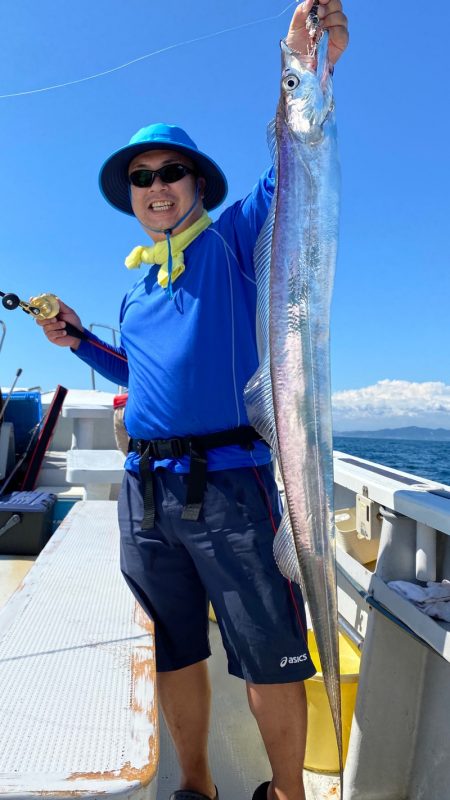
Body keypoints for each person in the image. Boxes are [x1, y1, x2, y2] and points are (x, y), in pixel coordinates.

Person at [38, 1, 349, 799]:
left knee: (268, 652)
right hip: (145, 495)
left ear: (196, 181)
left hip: (233, 488)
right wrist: (80, 342)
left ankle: (286, 793)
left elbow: (294, 161)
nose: (155, 186)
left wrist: (308, 68)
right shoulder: (140, 287)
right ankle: (198, 787)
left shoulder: (238, 238)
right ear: (132, 196)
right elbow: (140, 373)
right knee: (174, 649)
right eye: (141, 178)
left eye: (169, 171)